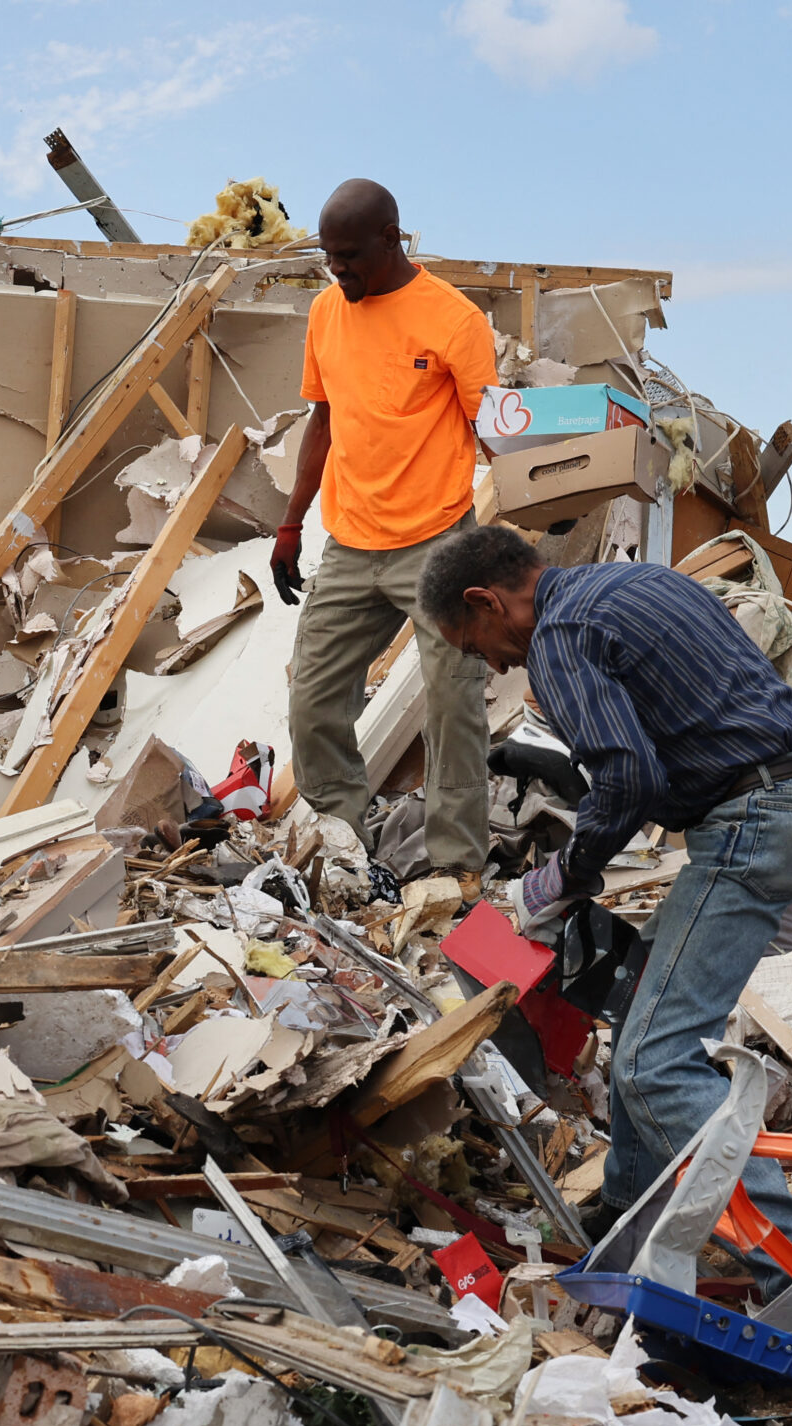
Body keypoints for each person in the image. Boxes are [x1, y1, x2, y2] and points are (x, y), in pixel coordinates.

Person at [420, 524, 792, 1295]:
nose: (492, 663)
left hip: (758, 811)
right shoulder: (636, 586)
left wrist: (562, 877)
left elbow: (627, 777)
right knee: (640, 1006)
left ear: (486, 600)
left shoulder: (557, 636)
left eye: (475, 642)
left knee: (656, 1060)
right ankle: (628, 1214)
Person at [274, 178, 498, 892]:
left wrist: (543, 489)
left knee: (452, 702)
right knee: (312, 700)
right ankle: (342, 851)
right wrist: (290, 522)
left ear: (392, 239)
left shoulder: (454, 320)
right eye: (329, 258)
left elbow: (492, 428)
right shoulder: (325, 312)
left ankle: (458, 865)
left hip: (437, 543)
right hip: (350, 541)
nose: (338, 271)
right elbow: (323, 418)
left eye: (349, 257)